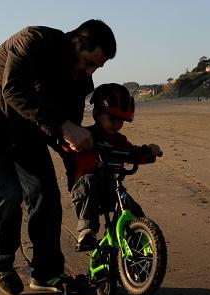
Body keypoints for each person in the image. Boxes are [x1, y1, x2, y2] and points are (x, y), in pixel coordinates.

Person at [0, 19, 115, 295]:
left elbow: (68, 136)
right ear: (75, 41)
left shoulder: (80, 82)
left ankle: (46, 274)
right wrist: (64, 127)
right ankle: (0, 263)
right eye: (88, 62)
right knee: (6, 194)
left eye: (96, 67)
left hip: (25, 130)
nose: (89, 71)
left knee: (46, 193)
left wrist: (82, 176)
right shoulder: (33, 40)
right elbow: (14, 89)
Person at [57, 83, 163, 251]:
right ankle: (86, 231)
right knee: (90, 179)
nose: (117, 124)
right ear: (97, 113)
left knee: (132, 207)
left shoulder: (119, 140)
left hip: (111, 188)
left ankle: (142, 245)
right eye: (112, 119)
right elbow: (66, 145)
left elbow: (134, 153)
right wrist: (70, 141)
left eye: (121, 120)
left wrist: (149, 151)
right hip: (85, 190)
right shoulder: (86, 136)